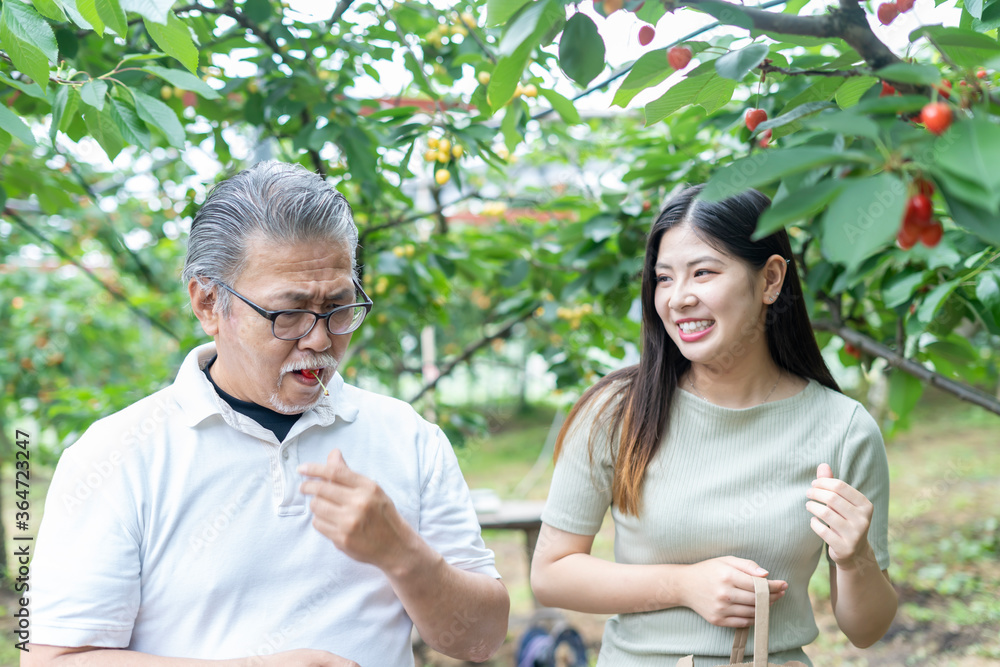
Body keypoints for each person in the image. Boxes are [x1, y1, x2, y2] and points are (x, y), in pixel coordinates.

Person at [25, 161, 509, 666]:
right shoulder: (117, 455)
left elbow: (480, 641)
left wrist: (402, 553)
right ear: (209, 302)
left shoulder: (407, 437)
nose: (320, 338)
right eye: (288, 313)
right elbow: (54, 660)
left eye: (339, 307)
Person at [530, 186, 897, 666]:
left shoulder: (843, 429)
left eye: (703, 272)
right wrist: (683, 585)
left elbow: (866, 631)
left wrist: (855, 560)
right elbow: (552, 573)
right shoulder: (615, 412)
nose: (679, 299)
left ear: (770, 279)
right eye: (664, 278)